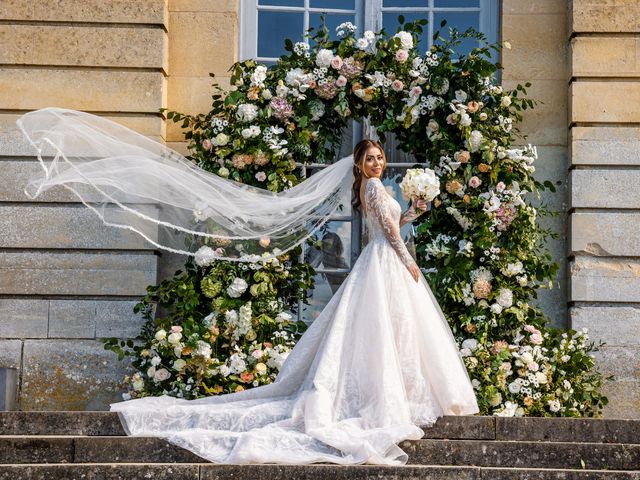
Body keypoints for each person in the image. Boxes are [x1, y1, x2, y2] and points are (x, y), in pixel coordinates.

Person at [18, 109, 479, 465]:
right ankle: (395, 396)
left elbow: (394, 222)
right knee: (389, 330)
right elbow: (392, 235)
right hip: (387, 264)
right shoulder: (375, 189)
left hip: (378, 265)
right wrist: (409, 263)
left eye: (380, 157)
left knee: (383, 332)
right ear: (359, 164)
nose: (377, 162)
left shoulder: (374, 192)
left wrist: (416, 208)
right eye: (370, 158)